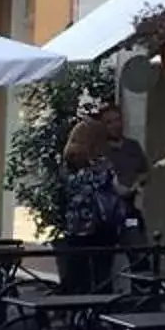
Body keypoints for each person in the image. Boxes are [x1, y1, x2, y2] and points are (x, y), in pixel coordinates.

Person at [56, 119, 130, 295]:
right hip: (100, 226)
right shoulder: (103, 166)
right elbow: (118, 188)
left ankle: (74, 312)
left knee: (75, 275)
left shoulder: (68, 164)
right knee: (102, 274)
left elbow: (65, 189)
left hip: (76, 225)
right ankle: (100, 313)